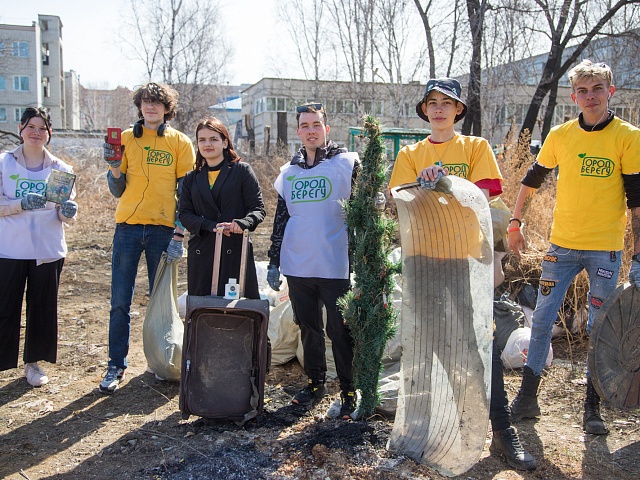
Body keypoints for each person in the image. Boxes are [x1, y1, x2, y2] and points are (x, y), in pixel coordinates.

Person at [388, 78, 536, 470]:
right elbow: (399, 202)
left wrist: (445, 182)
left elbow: (483, 196)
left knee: (477, 347)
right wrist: (422, 186)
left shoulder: (475, 147)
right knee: (431, 348)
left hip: (465, 262)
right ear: (424, 110)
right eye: (431, 102)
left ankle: (502, 433)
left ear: (458, 110)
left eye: (446, 103)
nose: (438, 109)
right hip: (424, 263)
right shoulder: (411, 153)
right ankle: (447, 426)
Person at [508, 60, 640, 435]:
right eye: (583, 90)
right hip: (561, 248)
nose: (590, 96)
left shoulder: (628, 137)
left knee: (597, 328)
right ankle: (528, 398)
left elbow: (637, 200)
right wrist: (515, 223)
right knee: (542, 321)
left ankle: (592, 408)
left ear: (610, 92)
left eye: (597, 88)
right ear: (573, 96)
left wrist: (639, 255)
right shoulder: (561, 135)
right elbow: (532, 179)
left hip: (605, 252)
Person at [100, 82, 195, 394]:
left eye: (157, 102)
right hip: (127, 228)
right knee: (119, 301)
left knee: (162, 303)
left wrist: (179, 234)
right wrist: (115, 167)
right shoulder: (126, 139)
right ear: (139, 106)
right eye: (145, 102)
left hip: (163, 231)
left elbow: (187, 194)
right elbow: (117, 190)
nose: (151, 107)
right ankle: (116, 365)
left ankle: (160, 361)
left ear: (167, 108)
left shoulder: (180, 143)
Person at [266, 103, 360, 420]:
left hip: (334, 264)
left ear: (326, 129)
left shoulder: (346, 164)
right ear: (298, 132)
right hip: (298, 265)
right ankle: (315, 384)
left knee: (339, 329)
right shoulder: (288, 173)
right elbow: (281, 219)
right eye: (305, 125)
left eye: (316, 125)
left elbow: (364, 208)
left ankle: (349, 390)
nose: (310, 130)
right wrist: (274, 260)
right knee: (308, 329)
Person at [0, 107, 78, 387]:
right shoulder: (3, 164)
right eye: (31, 126)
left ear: (50, 133)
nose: (36, 132)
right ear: (20, 129)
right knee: (5, 307)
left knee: (42, 308)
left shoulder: (60, 169)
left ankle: (33, 363)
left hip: (47, 250)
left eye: (42, 128)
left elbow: (62, 213)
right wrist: (19, 204)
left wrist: (68, 211)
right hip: (8, 250)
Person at [179, 117, 265, 297]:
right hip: (202, 251)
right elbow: (185, 214)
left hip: (235, 250)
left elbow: (257, 209)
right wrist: (210, 226)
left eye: (213, 139)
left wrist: (242, 223)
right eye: (202, 140)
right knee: (203, 312)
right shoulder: (191, 178)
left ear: (225, 142)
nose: (207, 144)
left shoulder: (242, 171)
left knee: (236, 311)